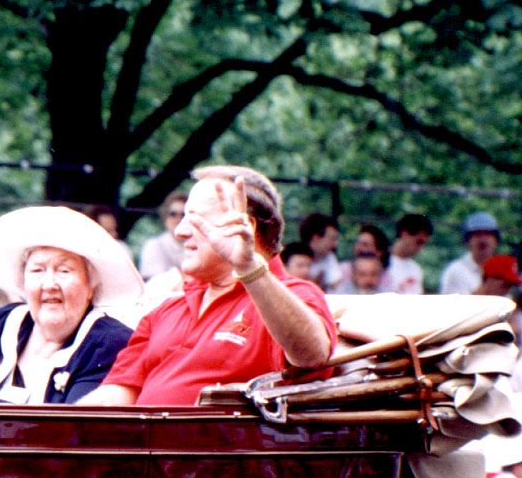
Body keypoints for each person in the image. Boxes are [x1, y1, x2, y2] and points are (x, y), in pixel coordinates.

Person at [83, 165, 336, 407]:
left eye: (196, 220)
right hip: (140, 448)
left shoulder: (296, 295)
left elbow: (313, 358)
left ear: (243, 227)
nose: (180, 231)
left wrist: (249, 268)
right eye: (182, 218)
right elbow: (115, 395)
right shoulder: (166, 311)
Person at [0, 206, 141, 404]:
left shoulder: (108, 343)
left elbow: (70, 430)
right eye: (37, 270)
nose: (49, 284)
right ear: (23, 281)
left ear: (91, 285)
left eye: (64, 271)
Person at [439, 211, 498, 294]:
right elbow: (457, 306)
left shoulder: (499, 269)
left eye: (488, 234)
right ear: (468, 241)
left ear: (496, 240)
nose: (483, 240)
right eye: (478, 235)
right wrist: (490, 286)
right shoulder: (456, 270)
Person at [138, 192, 188, 279]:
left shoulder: (197, 246)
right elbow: (154, 281)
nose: (178, 218)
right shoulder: (154, 245)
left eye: (183, 214)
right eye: (173, 214)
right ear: (165, 217)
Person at [384, 213, 432, 294]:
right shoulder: (380, 264)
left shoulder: (416, 269)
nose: (421, 248)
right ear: (404, 234)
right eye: (419, 242)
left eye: (424, 244)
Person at [298, 212, 343, 292]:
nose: (335, 244)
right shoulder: (292, 256)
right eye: (332, 239)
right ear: (316, 238)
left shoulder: (328, 258)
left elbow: (338, 287)